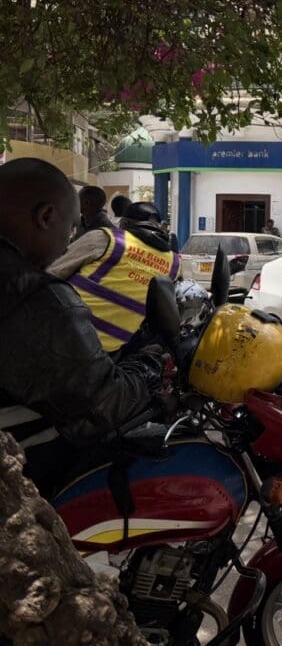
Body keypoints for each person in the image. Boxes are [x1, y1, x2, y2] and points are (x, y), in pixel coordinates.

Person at [0, 158, 165, 497]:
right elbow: (100, 407)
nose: (69, 239)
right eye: (70, 227)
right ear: (45, 216)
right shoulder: (37, 296)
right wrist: (151, 364)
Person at [49, 201, 180, 352]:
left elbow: (53, 273)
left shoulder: (106, 238)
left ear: (123, 223)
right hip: (113, 355)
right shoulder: (173, 263)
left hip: (63, 336)